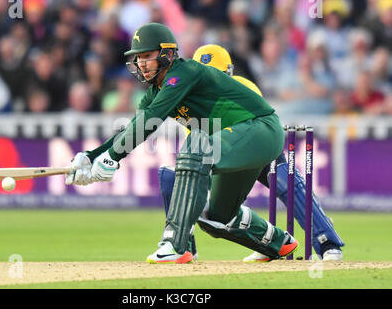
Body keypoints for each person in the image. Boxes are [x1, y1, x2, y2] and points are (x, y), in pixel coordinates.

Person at [65, 22, 298, 264]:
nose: (141, 64)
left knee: (195, 150)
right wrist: (91, 156)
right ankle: (278, 243)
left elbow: (151, 120)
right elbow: (134, 127)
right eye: (138, 58)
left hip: (261, 129)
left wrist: (112, 157)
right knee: (216, 218)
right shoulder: (156, 92)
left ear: (167, 54)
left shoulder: (184, 72)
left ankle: (174, 244)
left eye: (147, 56)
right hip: (235, 141)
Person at [159, 44, 344, 262]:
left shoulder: (244, 85)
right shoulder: (190, 100)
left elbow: (254, 126)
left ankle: (328, 243)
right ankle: (185, 246)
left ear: (229, 72)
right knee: (175, 178)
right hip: (223, 154)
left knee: (286, 179)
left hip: (254, 148)